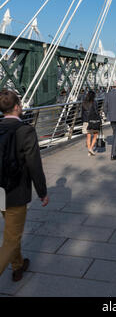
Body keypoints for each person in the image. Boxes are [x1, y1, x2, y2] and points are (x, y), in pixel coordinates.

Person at [0, 89, 48, 282]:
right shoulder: (25, 130)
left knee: (12, 230)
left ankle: (18, 266)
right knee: (11, 239)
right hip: (16, 190)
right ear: (18, 107)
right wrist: (42, 192)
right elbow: (34, 165)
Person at [81, 91, 101, 156]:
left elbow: (82, 112)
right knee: (95, 135)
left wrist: (83, 120)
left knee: (88, 136)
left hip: (86, 120)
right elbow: (96, 111)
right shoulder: (94, 102)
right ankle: (91, 149)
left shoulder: (84, 102)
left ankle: (89, 149)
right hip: (93, 120)